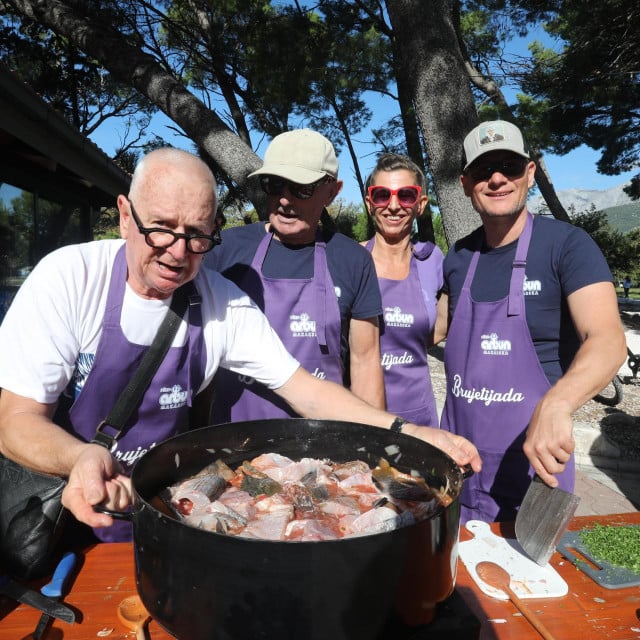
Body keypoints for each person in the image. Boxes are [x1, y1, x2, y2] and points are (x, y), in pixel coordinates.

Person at [0, 148, 481, 545]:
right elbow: (15, 422)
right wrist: (78, 457)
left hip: (167, 513)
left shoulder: (219, 300)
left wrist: (409, 430)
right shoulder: (69, 279)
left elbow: (305, 389)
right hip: (63, 513)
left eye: (196, 235)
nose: (177, 251)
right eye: (161, 228)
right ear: (126, 216)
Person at [438, 120, 626, 523]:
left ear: (530, 172)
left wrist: (558, 404)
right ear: (466, 182)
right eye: (483, 171)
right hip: (455, 464)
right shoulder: (457, 257)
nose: (497, 178)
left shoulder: (567, 245)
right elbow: (432, 331)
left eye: (508, 165)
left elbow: (608, 338)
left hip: (534, 470)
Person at [205, 129, 385, 422]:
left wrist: (376, 445)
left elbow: (365, 363)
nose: (285, 200)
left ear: (332, 191)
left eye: (301, 188)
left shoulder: (354, 260)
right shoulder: (225, 251)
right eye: (274, 185)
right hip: (235, 441)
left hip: (322, 445)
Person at [362, 153, 444, 426]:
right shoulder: (350, 260)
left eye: (406, 195)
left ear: (420, 204)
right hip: (359, 416)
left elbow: (439, 329)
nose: (394, 205)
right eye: (382, 195)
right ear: (369, 203)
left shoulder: (433, 261)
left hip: (419, 417)